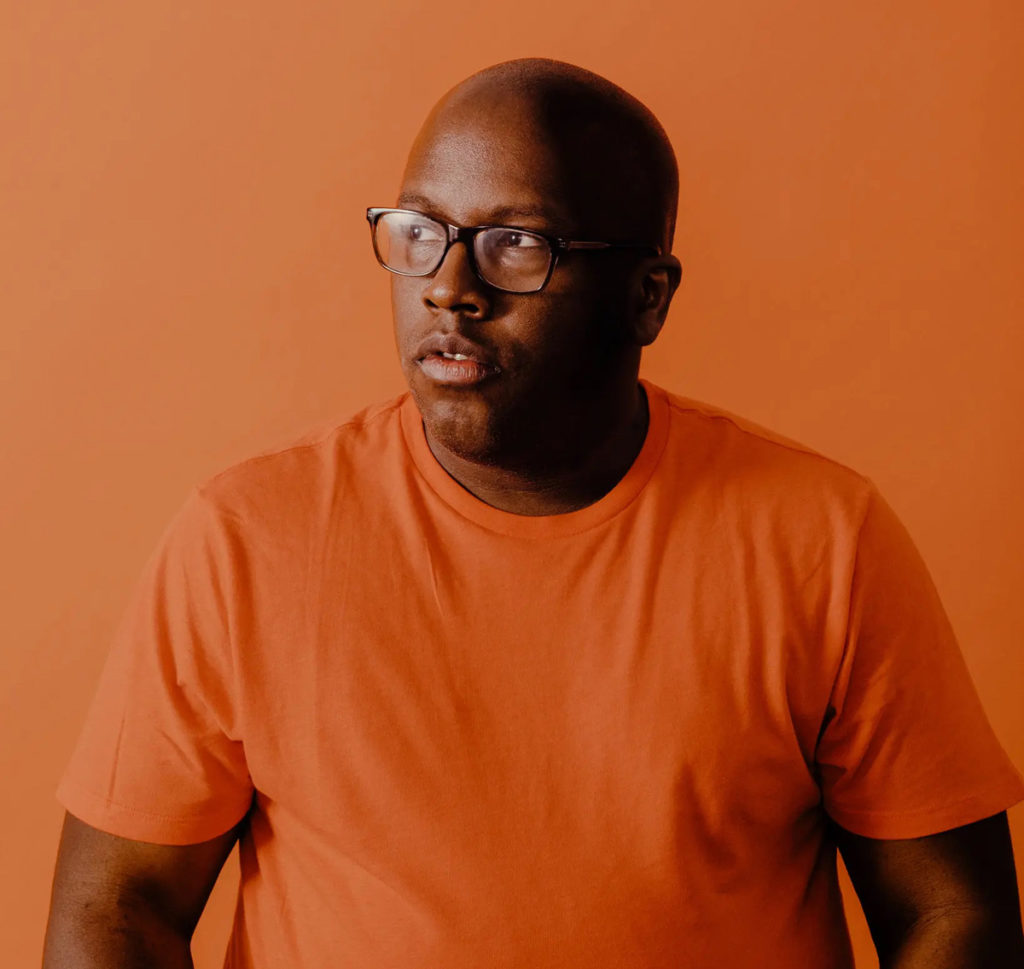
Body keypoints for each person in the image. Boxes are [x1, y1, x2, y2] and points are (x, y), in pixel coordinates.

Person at [43, 56, 1024, 969]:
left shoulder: (820, 540)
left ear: (646, 298)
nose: (451, 288)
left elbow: (955, 912)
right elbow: (116, 908)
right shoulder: (246, 537)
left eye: (517, 244)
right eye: (420, 232)